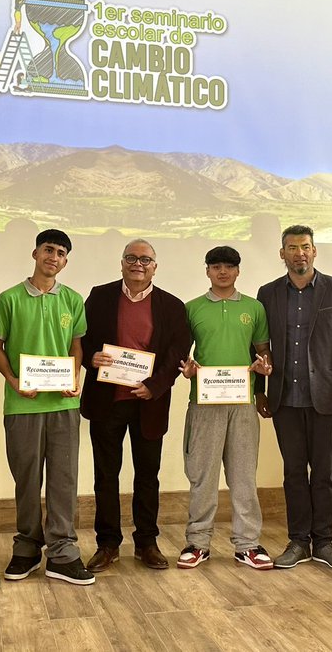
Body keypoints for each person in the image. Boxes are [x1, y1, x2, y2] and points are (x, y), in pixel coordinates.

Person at [255, 225, 332, 571]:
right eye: (292, 247)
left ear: (315, 251)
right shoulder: (268, 293)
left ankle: (325, 542)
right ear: (282, 254)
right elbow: (259, 348)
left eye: (305, 247)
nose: (299, 253)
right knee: (293, 474)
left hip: (328, 400)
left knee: (324, 474)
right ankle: (298, 542)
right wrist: (260, 390)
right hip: (285, 399)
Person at [0, 229, 92, 585]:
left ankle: (62, 551)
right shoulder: (9, 299)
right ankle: (27, 548)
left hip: (64, 403)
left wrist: (73, 376)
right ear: (35, 253)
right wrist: (14, 381)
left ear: (66, 261)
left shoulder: (74, 300)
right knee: (27, 480)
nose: (54, 257)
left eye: (62, 253)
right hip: (22, 405)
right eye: (49, 250)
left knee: (64, 479)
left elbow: (76, 345)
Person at [81, 239, 191, 572]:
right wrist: (90, 357)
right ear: (122, 262)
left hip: (148, 403)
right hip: (106, 403)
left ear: (155, 266)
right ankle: (108, 544)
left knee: (147, 477)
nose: (138, 264)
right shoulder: (99, 296)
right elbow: (81, 339)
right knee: (105, 476)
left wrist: (154, 386)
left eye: (145, 259)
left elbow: (178, 350)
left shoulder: (172, 305)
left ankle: (146, 543)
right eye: (131, 257)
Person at [176, 246, 275, 569]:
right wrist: (188, 369)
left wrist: (265, 369)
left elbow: (263, 352)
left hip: (242, 404)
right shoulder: (192, 309)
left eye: (229, 267)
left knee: (243, 475)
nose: (222, 272)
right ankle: (197, 543)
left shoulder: (254, 308)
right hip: (204, 405)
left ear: (237, 271)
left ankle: (247, 544)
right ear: (207, 271)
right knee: (202, 476)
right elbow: (183, 356)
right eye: (216, 266)